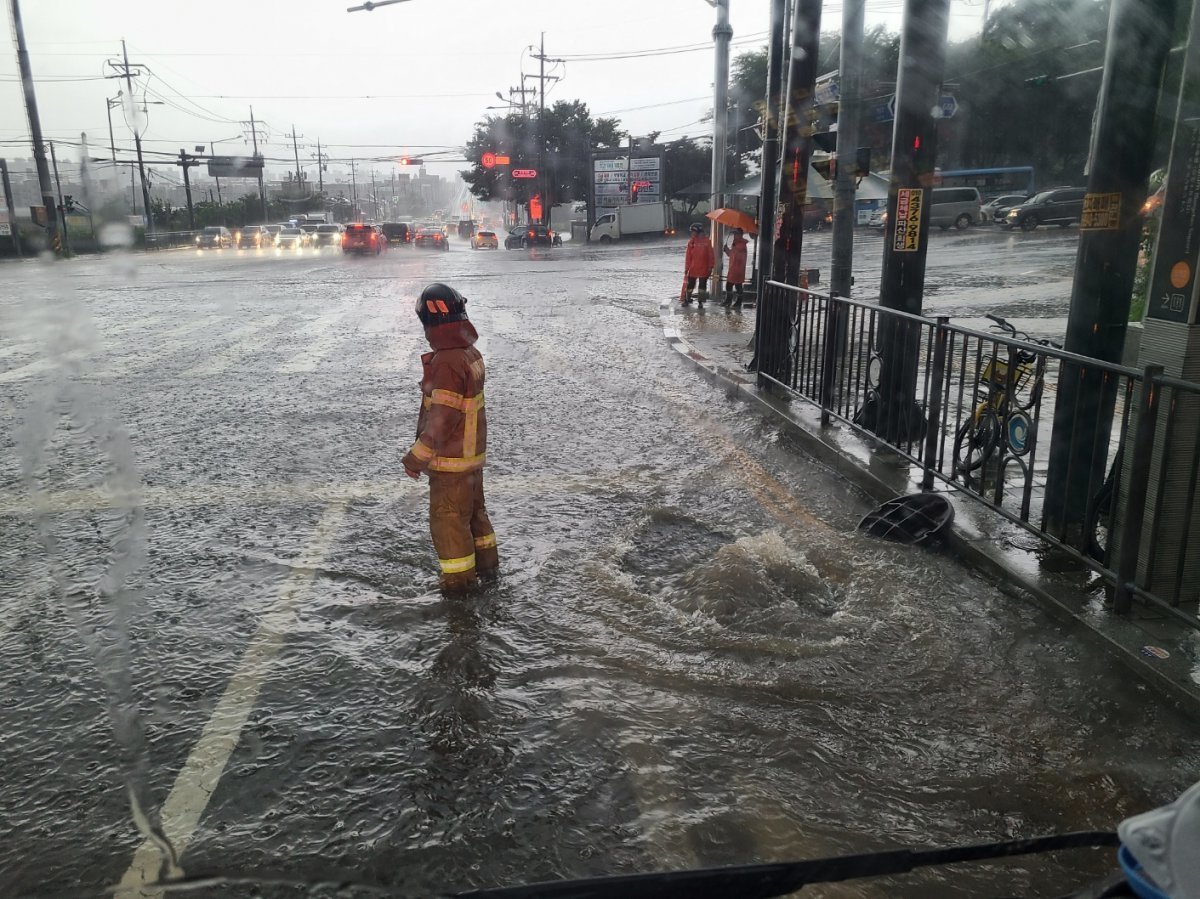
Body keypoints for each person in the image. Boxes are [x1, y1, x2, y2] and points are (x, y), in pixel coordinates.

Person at [402, 283, 498, 591]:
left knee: (449, 524)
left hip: (451, 465)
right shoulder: (469, 353)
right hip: (470, 461)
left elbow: (442, 420)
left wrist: (416, 458)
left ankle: (459, 590)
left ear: (432, 323)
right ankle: (488, 572)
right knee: (475, 517)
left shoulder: (447, 363)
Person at [683, 222, 715, 305]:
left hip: (703, 268)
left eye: (693, 232)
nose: (692, 233)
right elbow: (688, 256)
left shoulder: (706, 241)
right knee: (690, 285)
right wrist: (686, 268)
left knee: (702, 286)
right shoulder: (691, 242)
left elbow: (710, 255)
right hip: (693, 268)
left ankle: (700, 302)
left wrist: (710, 267)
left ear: (697, 232)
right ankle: (687, 299)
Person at [722, 227, 749, 309]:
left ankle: (734, 301)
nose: (734, 235)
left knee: (733, 285)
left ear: (741, 235)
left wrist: (732, 247)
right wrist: (726, 250)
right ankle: (732, 301)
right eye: (734, 234)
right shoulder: (736, 243)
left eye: (736, 234)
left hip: (738, 268)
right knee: (734, 285)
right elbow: (731, 254)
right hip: (734, 268)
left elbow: (737, 253)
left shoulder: (741, 244)